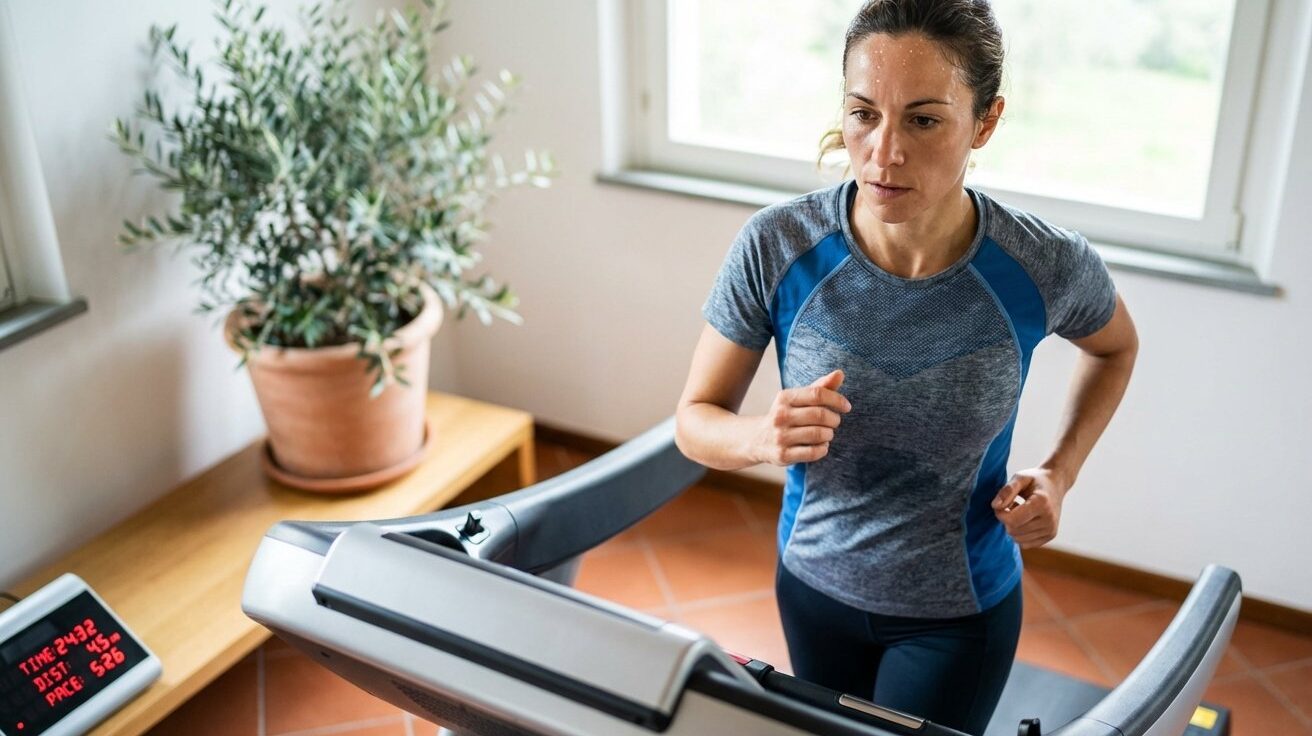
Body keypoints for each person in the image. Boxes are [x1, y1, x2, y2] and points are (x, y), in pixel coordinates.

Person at [673, 0, 1140, 733]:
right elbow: (694, 422)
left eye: (924, 120)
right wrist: (762, 437)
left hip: (957, 611)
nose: (884, 152)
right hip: (811, 587)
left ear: (984, 123)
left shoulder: (1043, 263)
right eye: (864, 114)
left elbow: (1116, 348)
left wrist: (1060, 472)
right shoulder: (778, 244)